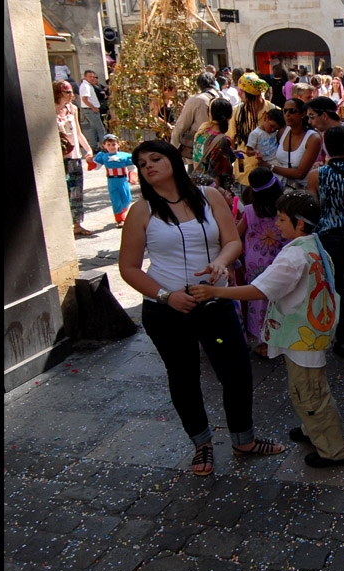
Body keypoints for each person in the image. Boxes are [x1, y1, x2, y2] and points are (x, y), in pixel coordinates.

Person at [118, 140, 286, 477]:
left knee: (236, 372)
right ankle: (202, 445)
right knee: (183, 377)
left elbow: (232, 241)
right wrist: (166, 296)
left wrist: (222, 263)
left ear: (173, 162)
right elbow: (130, 268)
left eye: (155, 158)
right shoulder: (141, 211)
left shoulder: (209, 197)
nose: (147, 166)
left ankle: (244, 439)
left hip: (215, 303)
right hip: (167, 311)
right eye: (141, 163)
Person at [191, 191, 344, 469]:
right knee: (307, 388)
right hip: (311, 331)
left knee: (310, 393)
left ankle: (334, 450)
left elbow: (259, 289)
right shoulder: (314, 245)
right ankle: (310, 429)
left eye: (280, 219)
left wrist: (215, 291)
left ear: (299, 223)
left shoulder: (292, 257)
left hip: (303, 336)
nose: (276, 224)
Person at [308, 125, 344, 360]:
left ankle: (343, 338)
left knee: (335, 288)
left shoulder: (316, 175)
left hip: (328, 237)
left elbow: (314, 207)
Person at [237, 167, 288, 358]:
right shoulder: (285, 208)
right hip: (280, 259)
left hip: (256, 264)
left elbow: (236, 234)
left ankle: (264, 343)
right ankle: (281, 338)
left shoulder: (249, 211)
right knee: (280, 299)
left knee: (259, 302)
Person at [54, 79, 97, 237]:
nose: (72, 95)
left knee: (76, 191)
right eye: (68, 92)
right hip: (59, 157)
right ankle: (63, 226)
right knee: (63, 191)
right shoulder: (50, 110)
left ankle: (77, 224)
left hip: (74, 156)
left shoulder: (72, 109)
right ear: (58, 93)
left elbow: (78, 132)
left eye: (72, 91)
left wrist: (88, 149)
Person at [262, 98, 321, 189]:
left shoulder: (313, 138)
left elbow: (300, 174)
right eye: (284, 111)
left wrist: (270, 167)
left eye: (292, 111)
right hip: (282, 186)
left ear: (303, 114)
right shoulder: (282, 132)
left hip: (303, 189)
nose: (287, 114)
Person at [229, 72, 275, 187]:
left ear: (250, 94)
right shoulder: (237, 112)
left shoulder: (273, 111)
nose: (239, 94)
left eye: (241, 91)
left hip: (268, 171)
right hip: (244, 171)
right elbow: (230, 140)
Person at [171, 71, 220, 168]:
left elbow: (181, 126)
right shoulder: (223, 97)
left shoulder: (196, 100)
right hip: (220, 145)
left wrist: (173, 148)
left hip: (200, 150)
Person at [192, 97, 238, 198]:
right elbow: (217, 173)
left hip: (200, 184)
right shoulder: (222, 141)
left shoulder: (201, 132)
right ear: (230, 115)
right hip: (214, 191)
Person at [93, 134, 138, 227]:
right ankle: (120, 219)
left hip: (123, 180)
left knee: (127, 199)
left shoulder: (125, 156)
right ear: (104, 146)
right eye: (108, 145)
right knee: (115, 200)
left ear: (118, 145)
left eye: (113, 144)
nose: (111, 147)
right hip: (112, 181)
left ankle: (123, 212)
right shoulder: (103, 156)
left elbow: (131, 167)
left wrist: (133, 175)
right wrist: (90, 161)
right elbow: (96, 167)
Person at [78, 69, 107, 153]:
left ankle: (94, 147)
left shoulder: (88, 85)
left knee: (93, 129)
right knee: (100, 129)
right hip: (91, 110)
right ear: (85, 77)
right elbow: (84, 99)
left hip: (90, 109)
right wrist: (93, 107)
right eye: (90, 77)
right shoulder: (85, 86)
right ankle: (105, 147)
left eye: (93, 77)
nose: (92, 78)